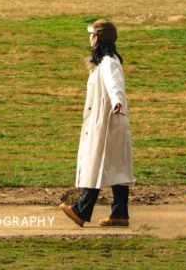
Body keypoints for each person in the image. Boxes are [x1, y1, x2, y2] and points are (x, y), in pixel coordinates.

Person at [61, 17, 135, 228]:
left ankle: (82, 211)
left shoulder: (109, 62)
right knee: (115, 165)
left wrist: (118, 102)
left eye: (92, 35)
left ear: (98, 39)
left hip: (107, 121)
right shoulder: (103, 62)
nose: (90, 39)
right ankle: (119, 213)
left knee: (97, 162)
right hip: (107, 120)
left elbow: (115, 85)